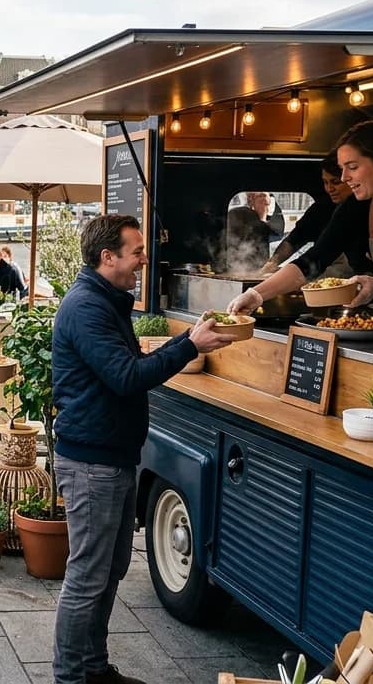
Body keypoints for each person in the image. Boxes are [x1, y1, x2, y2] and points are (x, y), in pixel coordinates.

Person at [51, 215, 237, 684]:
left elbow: (127, 367)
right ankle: (70, 677)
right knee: (88, 577)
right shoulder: (86, 307)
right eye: (136, 252)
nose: (143, 259)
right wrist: (189, 345)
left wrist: (186, 340)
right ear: (107, 256)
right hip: (91, 463)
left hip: (109, 457)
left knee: (109, 571)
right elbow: (127, 376)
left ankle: (94, 668)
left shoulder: (105, 301)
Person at [229, 120, 373, 326]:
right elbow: (313, 261)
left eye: (352, 167)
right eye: (342, 169)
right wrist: (256, 295)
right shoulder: (357, 207)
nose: (344, 178)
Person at [260, 153, 357, 274]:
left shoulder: (363, 208)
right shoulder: (321, 208)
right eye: (325, 182)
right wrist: (271, 264)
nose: (329, 189)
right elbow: (294, 240)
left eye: (335, 182)